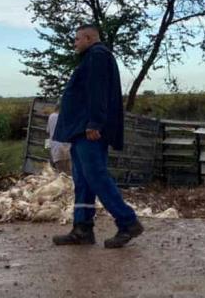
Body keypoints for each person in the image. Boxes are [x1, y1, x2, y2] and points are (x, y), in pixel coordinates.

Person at [51, 24, 143, 249]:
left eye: (77, 39)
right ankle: (82, 228)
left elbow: (97, 91)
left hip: (89, 129)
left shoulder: (98, 56)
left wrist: (94, 122)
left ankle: (127, 221)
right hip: (81, 130)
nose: (74, 43)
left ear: (89, 38)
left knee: (96, 176)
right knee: (83, 181)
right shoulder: (91, 57)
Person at [46, 103, 72, 175]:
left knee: (60, 173)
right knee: (69, 173)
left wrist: (48, 148)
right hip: (67, 147)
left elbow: (48, 133)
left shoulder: (51, 116)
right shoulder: (67, 117)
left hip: (56, 148)